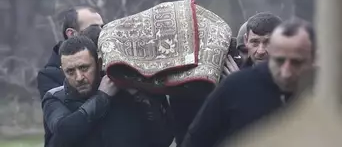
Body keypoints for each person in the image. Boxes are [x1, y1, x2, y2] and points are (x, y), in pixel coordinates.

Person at [182, 18, 316, 147]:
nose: (286, 72)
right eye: (279, 61)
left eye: (296, 62)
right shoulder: (234, 86)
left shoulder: (324, 91)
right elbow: (197, 139)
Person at [41, 35, 173, 147]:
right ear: (62, 71)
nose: (79, 77)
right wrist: (102, 97)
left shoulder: (124, 93)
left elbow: (162, 139)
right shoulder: (55, 98)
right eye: (70, 71)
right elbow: (65, 132)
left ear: (99, 63)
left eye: (84, 68)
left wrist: (139, 96)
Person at [170, 14, 281, 145]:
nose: (260, 51)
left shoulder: (291, 79)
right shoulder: (228, 84)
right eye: (254, 42)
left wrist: (244, 86)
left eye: (268, 42)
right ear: (246, 41)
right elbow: (199, 133)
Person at [37, 6, 104, 99]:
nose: (101, 33)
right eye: (94, 29)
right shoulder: (49, 76)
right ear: (71, 34)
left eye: (103, 27)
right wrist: (103, 95)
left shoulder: (108, 59)